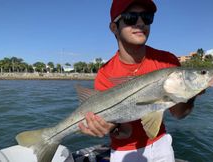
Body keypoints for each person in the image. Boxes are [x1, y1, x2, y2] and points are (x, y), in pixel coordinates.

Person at [79, 0, 198, 161]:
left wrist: (192, 91)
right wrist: (111, 128)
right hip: (124, 150)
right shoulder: (105, 73)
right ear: (114, 27)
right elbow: (123, 131)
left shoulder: (167, 61)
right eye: (130, 17)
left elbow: (178, 114)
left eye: (147, 17)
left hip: (161, 143)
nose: (141, 22)